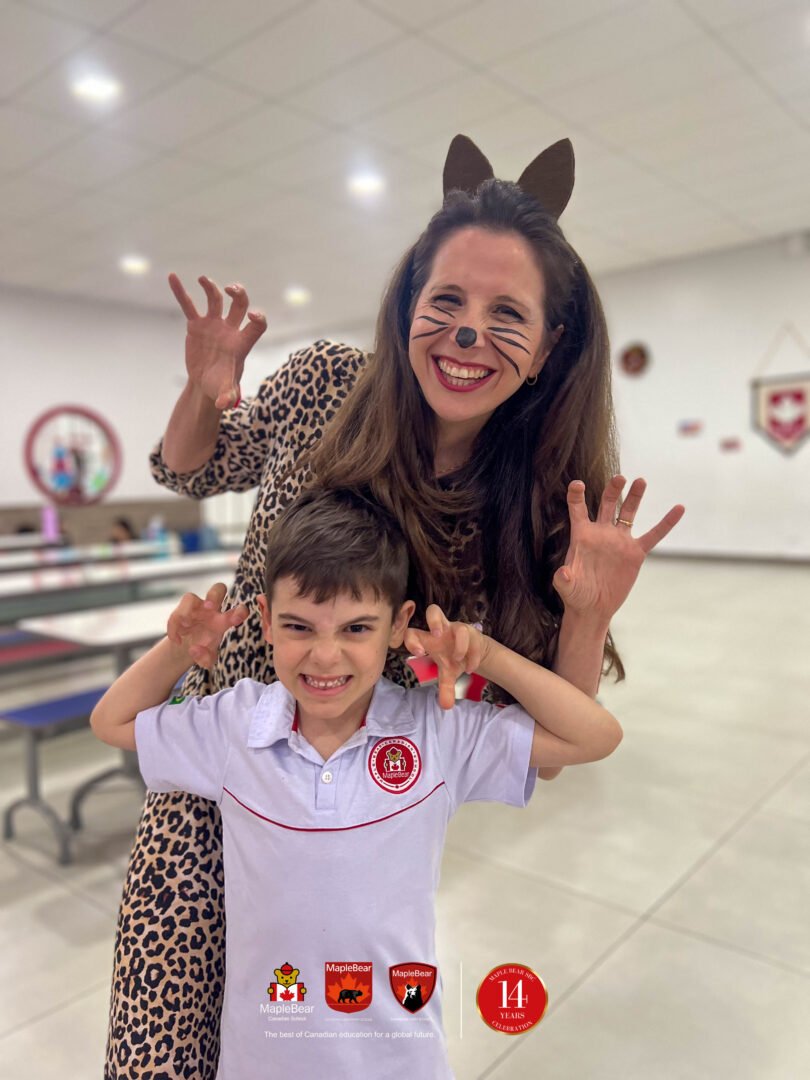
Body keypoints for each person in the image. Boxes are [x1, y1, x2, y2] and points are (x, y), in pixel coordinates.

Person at [106, 135, 683, 1077]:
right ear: (409, 303)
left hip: (356, 818)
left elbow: (552, 744)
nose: (467, 335)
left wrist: (588, 615)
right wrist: (203, 392)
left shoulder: (535, 503)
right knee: (160, 1053)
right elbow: (189, 469)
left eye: (507, 314)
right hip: (221, 773)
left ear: (549, 349)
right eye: (446, 301)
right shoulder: (325, 384)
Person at [92, 490, 622, 1080]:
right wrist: (176, 652)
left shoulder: (436, 729)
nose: (325, 656)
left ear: (398, 625)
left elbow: (594, 736)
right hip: (261, 1060)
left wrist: (488, 656)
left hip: (400, 1062)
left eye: (356, 628)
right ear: (265, 620)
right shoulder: (235, 725)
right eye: (298, 626)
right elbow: (111, 722)